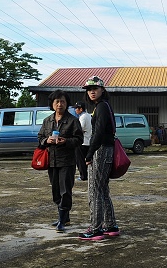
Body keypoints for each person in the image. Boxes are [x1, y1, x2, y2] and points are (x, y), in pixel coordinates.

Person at [79, 76, 119, 240]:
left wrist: (89, 154)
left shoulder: (102, 107)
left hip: (101, 150)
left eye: (95, 88)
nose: (92, 92)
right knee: (102, 189)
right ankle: (110, 225)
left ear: (102, 90)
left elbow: (98, 133)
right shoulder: (103, 106)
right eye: (89, 89)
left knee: (95, 190)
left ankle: (96, 229)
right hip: (106, 149)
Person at [37, 90, 83, 233]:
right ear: (52, 104)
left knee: (65, 191)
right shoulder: (47, 120)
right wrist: (46, 140)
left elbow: (79, 140)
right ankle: (64, 217)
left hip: (67, 161)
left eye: (62, 101)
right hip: (52, 160)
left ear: (67, 103)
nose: (59, 104)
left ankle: (62, 220)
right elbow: (40, 137)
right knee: (56, 191)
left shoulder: (73, 120)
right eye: (57, 101)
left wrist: (66, 141)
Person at [73, 101, 92, 181]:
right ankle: (85, 174)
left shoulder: (83, 117)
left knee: (80, 160)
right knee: (87, 160)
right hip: (88, 140)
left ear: (81, 109)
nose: (75, 110)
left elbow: (81, 129)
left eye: (76, 108)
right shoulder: (89, 115)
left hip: (83, 141)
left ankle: (83, 176)